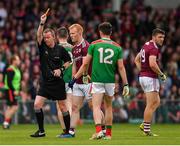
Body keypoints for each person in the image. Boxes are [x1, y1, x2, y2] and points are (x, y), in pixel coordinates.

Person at [69, 22, 129, 140]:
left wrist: (77, 77)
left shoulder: (93, 45)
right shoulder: (117, 47)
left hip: (96, 80)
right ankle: (109, 134)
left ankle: (99, 132)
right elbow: (121, 67)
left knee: (96, 107)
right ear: (111, 32)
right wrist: (126, 84)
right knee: (108, 107)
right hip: (110, 80)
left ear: (100, 32)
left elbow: (85, 63)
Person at [30, 10, 71, 138]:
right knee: (37, 105)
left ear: (54, 37)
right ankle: (41, 131)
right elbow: (38, 36)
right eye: (45, 37)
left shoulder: (61, 49)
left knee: (63, 107)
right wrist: (42, 23)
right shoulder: (42, 47)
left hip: (58, 82)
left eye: (48, 37)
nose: (46, 39)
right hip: (45, 82)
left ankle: (67, 132)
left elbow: (69, 61)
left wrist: (61, 70)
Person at [134, 28, 166, 136]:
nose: (162, 39)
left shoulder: (146, 45)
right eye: (159, 37)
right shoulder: (154, 48)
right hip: (150, 78)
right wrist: (161, 74)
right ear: (153, 37)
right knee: (150, 104)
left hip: (144, 77)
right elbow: (152, 64)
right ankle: (146, 129)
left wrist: (142, 71)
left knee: (156, 102)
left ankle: (144, 123)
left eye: (163, 37)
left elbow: (136, 59)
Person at [56, 26, 73, 136]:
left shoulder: (55, 48)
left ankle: (65, 130)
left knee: (60, 107)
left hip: (59, 80)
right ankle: (71, 130)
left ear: (57, 37)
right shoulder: (73, 48)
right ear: (67, 36)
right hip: (71, 80)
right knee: (69, 105)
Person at [2, 55, 21, 129]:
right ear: (13, 61)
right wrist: (14, 90)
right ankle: (6, 122)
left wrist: (19, 90)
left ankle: (6, 123)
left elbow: (17, 81)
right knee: (15, 107)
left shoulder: (16, 69)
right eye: (17, 60)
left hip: (14, 90)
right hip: (11, 90)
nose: (19, 61)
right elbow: (9, 82)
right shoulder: (11, 69)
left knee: (10, 107)